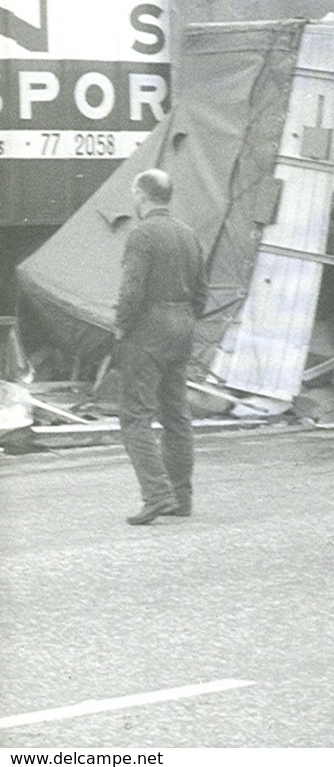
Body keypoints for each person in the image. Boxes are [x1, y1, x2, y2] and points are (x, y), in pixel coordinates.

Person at [114, 168, 206, 526]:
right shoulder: (189, 235)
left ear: (142, 196)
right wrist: (184, 317)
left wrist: (121, 325)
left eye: (134, 195)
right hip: (182, 328)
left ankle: (156, 495)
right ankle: (181, 497)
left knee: (135, 416)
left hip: (148, 332)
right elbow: (201, 290)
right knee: (176, 415)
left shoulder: (142, 235)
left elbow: (132, 289)